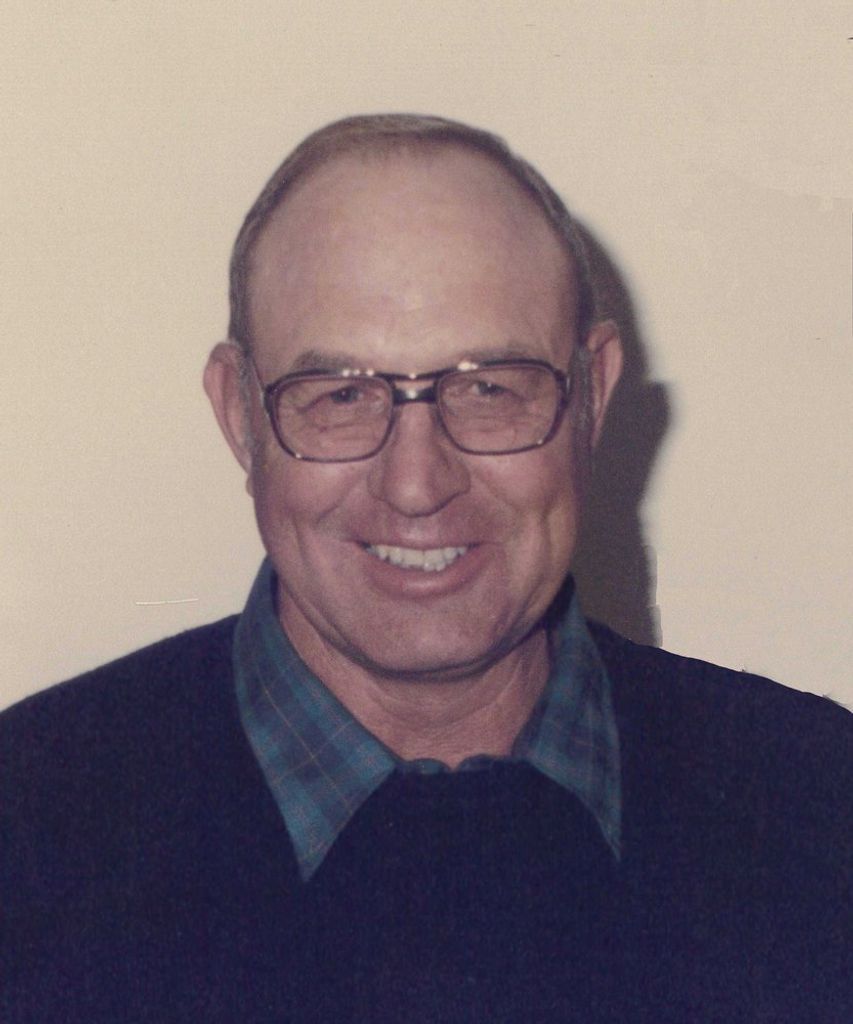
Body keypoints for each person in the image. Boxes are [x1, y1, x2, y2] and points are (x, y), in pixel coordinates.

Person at [2, 114, 850, 1024]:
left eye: (488, 388)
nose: (416, 484)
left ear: (592, 394)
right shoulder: (25, 833)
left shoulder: (819, 806)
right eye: (339, 396)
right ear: (240, 416)